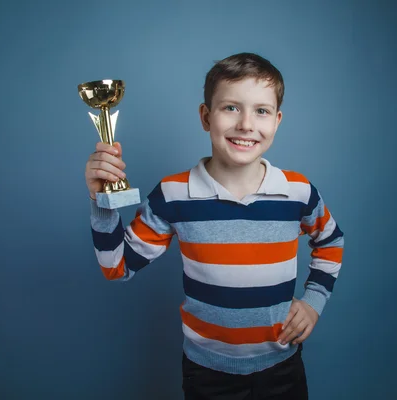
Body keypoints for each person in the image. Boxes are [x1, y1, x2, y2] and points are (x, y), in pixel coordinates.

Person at [84, 52, 345, 399]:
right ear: (206, 117)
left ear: (277, 120)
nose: (246, 124)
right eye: (231, 108)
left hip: (282, 368)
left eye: (261, 111)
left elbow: (331, 241)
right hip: (207, 376)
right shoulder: (172, 194)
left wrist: (313, 301)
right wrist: (101, 200)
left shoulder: (297, 192)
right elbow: (116, 266)